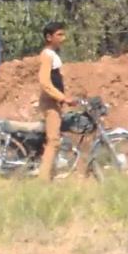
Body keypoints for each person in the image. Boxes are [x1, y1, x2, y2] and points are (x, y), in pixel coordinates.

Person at [37, 22, 77, 180]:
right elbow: (44, 82)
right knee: (53, 140)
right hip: (50, 103)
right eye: (59, 35)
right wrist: (63, 98)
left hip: (54, 103)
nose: (63, 38)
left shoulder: (53, 54)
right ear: (49, 37)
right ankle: (43, 180)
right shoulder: (47, 55)